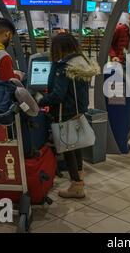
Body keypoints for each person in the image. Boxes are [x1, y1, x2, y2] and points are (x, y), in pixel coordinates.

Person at [37, 33, 100, 199]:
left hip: (64, 112)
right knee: (76, 146)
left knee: (68, 149)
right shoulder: (82, 62)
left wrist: (39, 101)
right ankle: (79, 177)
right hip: (78, 110)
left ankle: (76, 186)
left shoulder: (63, 66)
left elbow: (58, 95)